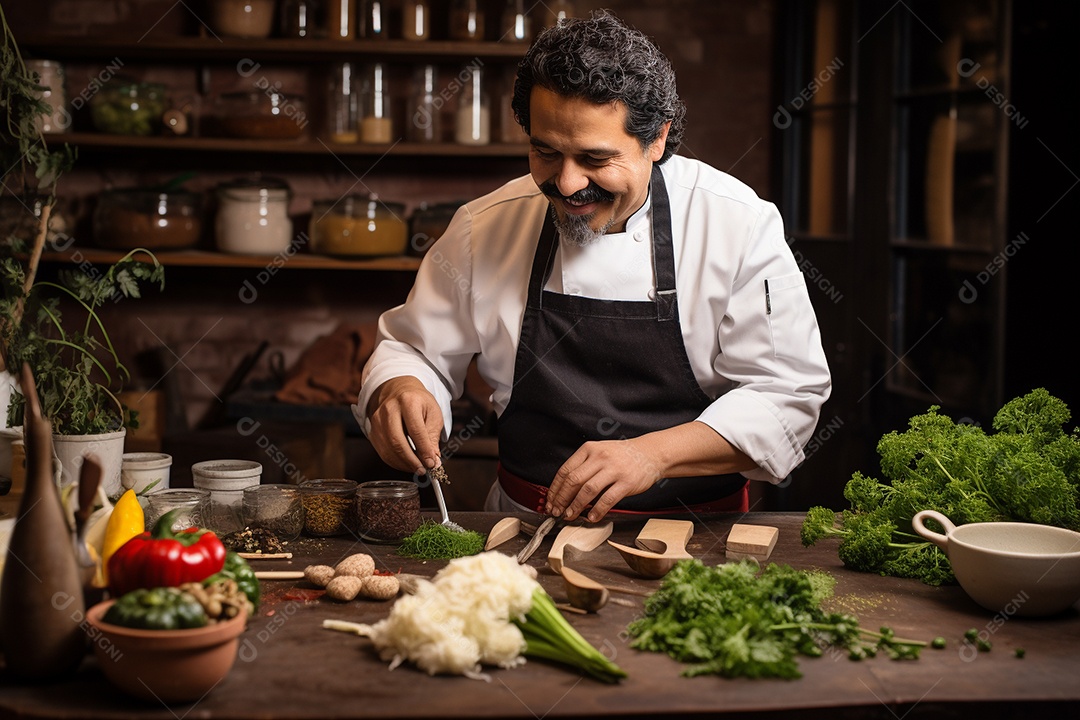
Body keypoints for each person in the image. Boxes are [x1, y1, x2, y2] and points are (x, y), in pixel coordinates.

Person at [354, 11, 831, 522]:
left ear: (658, 139)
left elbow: (786, 396)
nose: (566, 184)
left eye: (595, 159)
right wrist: (400, 386)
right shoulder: (484, 227)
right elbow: (413, 350)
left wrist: (652, 454)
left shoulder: (737, 224)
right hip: (523, 533)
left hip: (698, 544)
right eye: (545, 152)